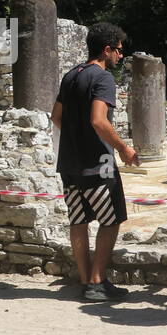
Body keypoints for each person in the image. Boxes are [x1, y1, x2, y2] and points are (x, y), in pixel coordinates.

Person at [51, 22, 138, 302]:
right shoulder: (103, 79)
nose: (121, 56)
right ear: (106, 49)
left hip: (68, 164)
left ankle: (86, 279)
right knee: (111, 220)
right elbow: (98, 120)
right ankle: (99, 282)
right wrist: (123, 147)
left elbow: (56, 117)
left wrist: (76, 136)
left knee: (78, 220)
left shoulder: (70, 75)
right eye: (119, 50)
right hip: (97, 164)